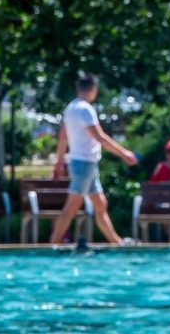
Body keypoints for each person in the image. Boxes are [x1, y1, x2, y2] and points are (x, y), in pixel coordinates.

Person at [47, 73, 133, 245]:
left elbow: (63, 137)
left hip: (84, 164)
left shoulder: (70, 108)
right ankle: (51, 245)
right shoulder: (85, 109)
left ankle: (117, 243)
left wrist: (59, 161)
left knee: (100, 204)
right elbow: (99, 137)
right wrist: (124, 153)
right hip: (84, 164)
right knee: (71, 208)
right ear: (93, 89)